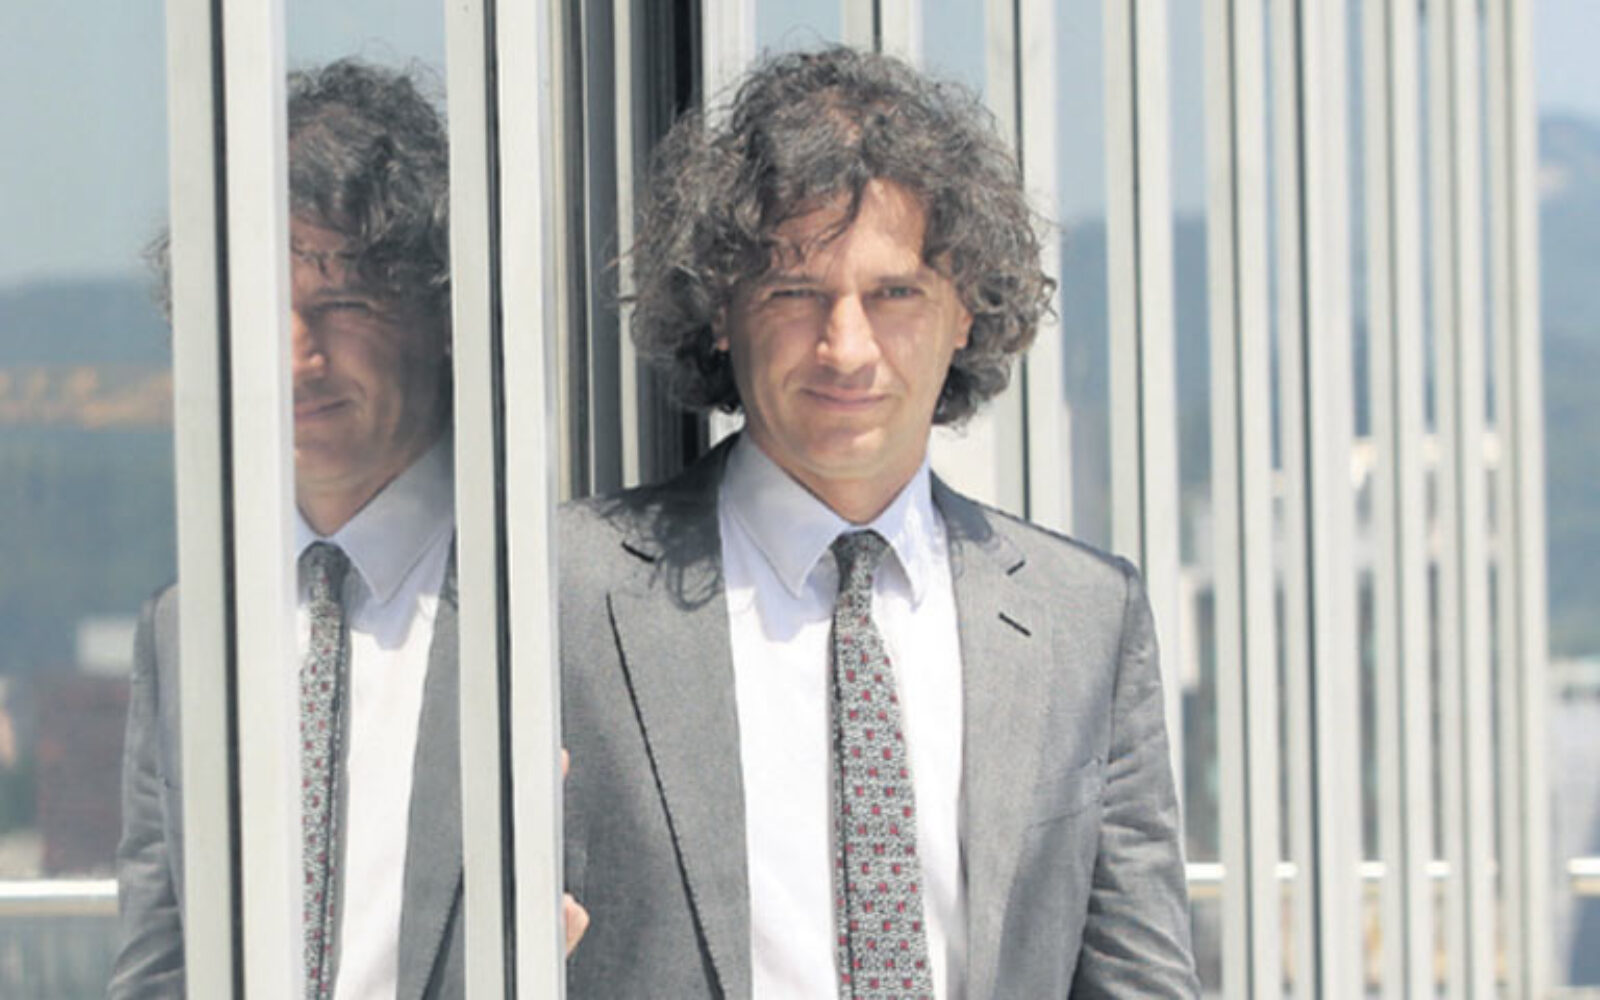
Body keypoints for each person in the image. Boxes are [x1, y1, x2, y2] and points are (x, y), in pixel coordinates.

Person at [558, 46, 1198, 998]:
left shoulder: (1084, 618)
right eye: (795, 292)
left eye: (895, 294)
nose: (846, 347)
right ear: (723, 311)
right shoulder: (563, 593)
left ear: (966, 311)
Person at [109, 59, 589, 1000]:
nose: (297, 357)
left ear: (442, 313)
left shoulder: (560, 597)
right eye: (259, 310)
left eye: (343, 305)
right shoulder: (187, 625)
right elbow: (159, 968)